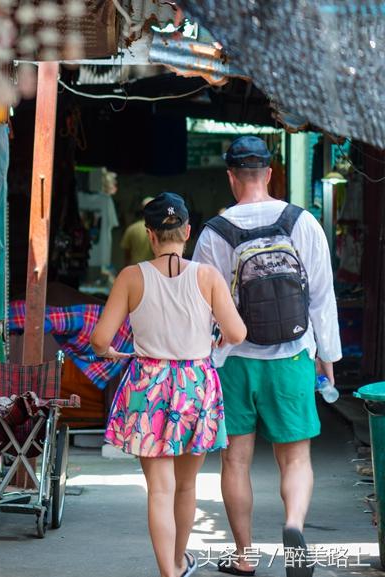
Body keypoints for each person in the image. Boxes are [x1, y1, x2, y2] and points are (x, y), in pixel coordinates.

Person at [194, 136, 341, 577]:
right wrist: (327, 358)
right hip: (293, 356)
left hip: (234, 361)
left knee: (235, 460)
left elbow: (206, 308)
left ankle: (244, 555)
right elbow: (321, 297)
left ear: (231, 176)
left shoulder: (214, 233)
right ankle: (294, 527)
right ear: (270, 173)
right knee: (295, 457)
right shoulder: (303, 223)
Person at [92, 192, 247, 577]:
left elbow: (99, 339)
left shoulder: (132, 277)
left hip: (148, 384)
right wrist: (217, 338)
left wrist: (112, 352)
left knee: (158, 489)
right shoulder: (207, 277)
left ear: (150, 234)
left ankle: (170, 571)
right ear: (188, 231)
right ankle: (179, 559)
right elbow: (237, 332)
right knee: (186, 485)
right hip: (195, 384)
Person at [122, 196, 156, 266]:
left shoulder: (132, 229)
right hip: (153, 269)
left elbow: (127, 255)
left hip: (135, 269)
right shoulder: (160, 229)